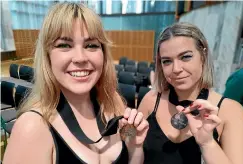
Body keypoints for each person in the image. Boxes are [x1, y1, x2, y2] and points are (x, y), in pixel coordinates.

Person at [3, 2, 149, 164]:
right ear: (47, 56)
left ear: (103, 54)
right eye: (64, 45)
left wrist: (135, 146)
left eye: (91, 45)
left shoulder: (113, 102)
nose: (80, 58)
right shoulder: (32, 128)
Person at [138, 22, 243, 164]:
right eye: (167, 61)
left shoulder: (231, 111)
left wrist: (208, 144)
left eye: (185, 57)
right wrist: (127, 132)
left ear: (203, 56)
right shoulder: (150, 100)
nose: (176, 69)